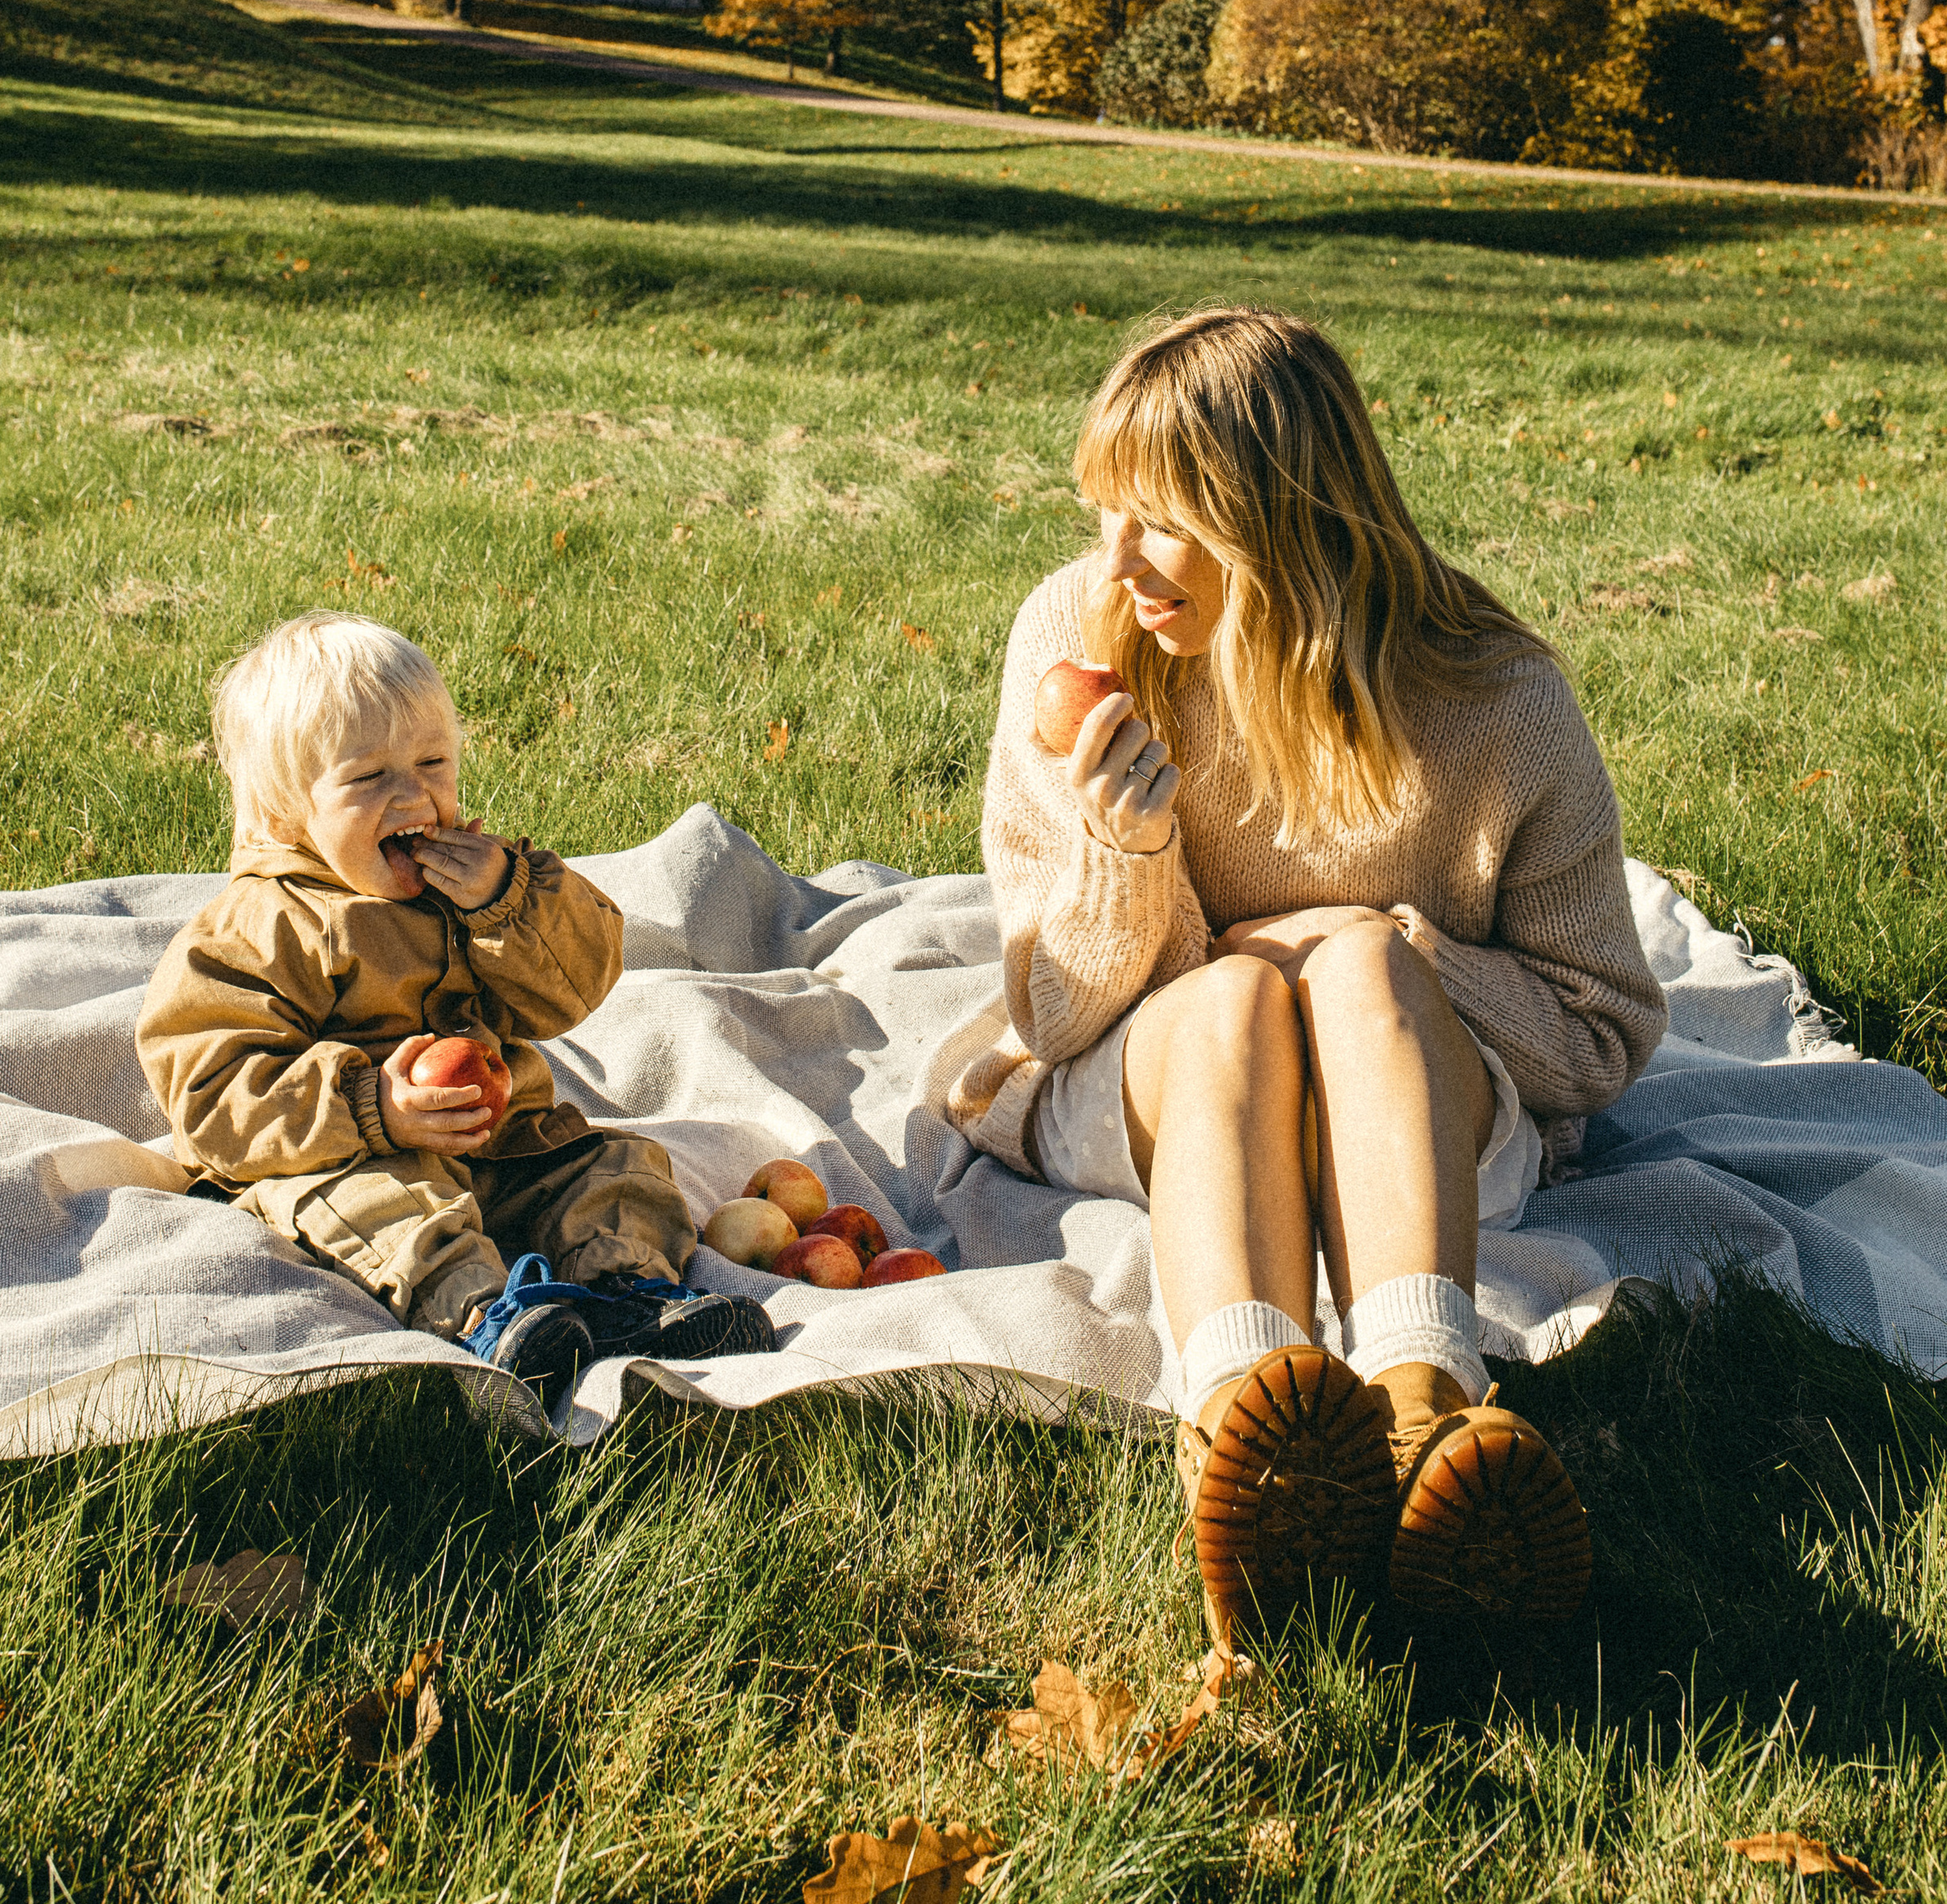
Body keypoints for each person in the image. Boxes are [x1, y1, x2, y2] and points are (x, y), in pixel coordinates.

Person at [951, 308, 1665, 1637]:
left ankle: (1424, 1413)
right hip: (1166, 1067)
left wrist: (1389, 950)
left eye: (1160, 521)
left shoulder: (1493, 698)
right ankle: (1247, 1434)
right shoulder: (1078, 638)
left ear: (1281, 517)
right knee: (1231, 1001)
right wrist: (1126, 849)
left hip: (1409, 1099)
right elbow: (1051, 1015)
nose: (1116, 560)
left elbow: (1599, 1031)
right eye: (1106, 512)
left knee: (1367, 982)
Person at [138, 611, 773, 1397]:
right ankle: (491, 1316)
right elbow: (213, 1087)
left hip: (502, 1146)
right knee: (383, 1209)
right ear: (284, 810)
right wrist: (374, 1108)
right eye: (370, 778)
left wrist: (508, 903)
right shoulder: (261, 928)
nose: (415, 796)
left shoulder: (475, 885)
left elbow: (578, 983)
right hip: (341, 1154)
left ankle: (627, 1293)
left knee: (613, 1169)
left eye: (433, 762)